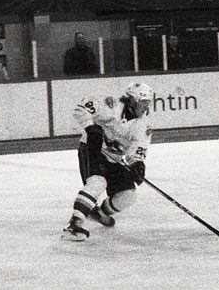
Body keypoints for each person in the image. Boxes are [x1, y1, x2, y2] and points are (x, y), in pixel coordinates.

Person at [61, 81, 154, 241]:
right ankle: (74, 224)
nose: (146, 107)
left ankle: (98, 213)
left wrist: (137, 163)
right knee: (97, 182)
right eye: (143, 102)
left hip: (115, 158)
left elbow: (139, 146)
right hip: (92, 149)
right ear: (132, 100)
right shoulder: (110, 104)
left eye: (148, 103)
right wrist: (91, 129)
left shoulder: (143, 123)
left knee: (128, 196)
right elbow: (80, 109)